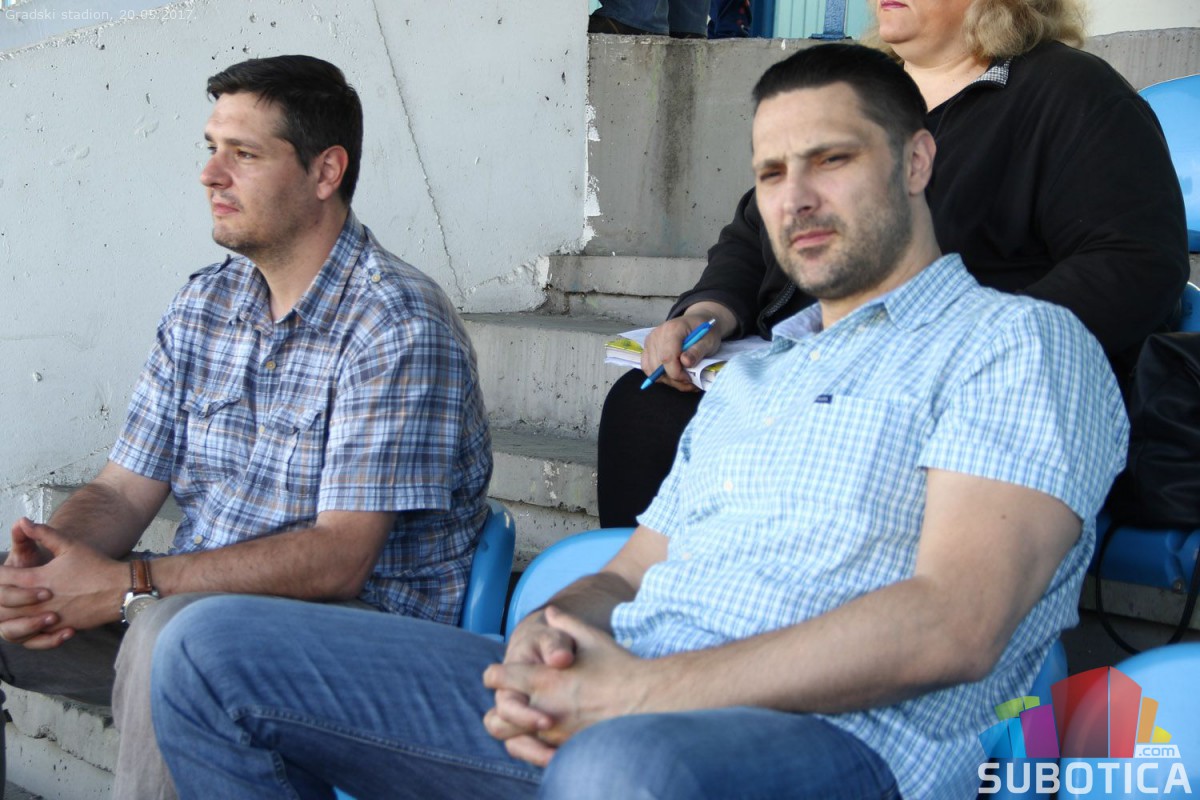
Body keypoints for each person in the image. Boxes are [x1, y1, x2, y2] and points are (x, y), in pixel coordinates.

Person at [150, 43, 1129, 799]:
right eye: (771, 173)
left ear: (916, 160)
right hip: (619, 710)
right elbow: (625, 574)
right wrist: (550, 635)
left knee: (623, 766)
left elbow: (956, 623)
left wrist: (635, 695)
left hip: (832, 743)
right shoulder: (754, 377)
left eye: (831, 159)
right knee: (207, 648)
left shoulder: (1017, 344)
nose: (796, 198)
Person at [0, 55, 491, 798]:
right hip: (184, 602)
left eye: (244, 154)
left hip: (358, 643)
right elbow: (122, 490)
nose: (210, 174)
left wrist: (130, 587)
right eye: (211, 148)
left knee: (173, 641)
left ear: (326, 172)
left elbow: (338, 560)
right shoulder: (204, 303)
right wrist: (47, 569)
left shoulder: (395, 323)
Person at [596, 0, 1189, 527]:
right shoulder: (853, 91)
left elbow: (1134, 262)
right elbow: (758, 230)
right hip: (812, 366)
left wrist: (966, 346)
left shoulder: (1071, 92)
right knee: (647, 406)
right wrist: (708, 312)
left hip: (959, 393)